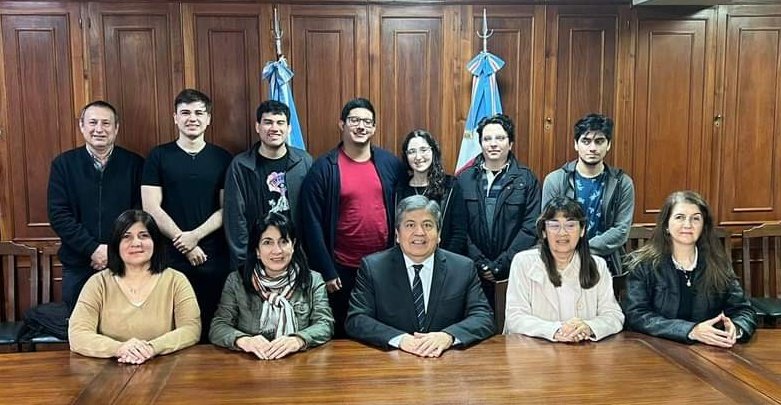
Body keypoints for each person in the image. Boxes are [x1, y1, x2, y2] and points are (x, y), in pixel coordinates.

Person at [300, 97, 406, 337]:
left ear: (374, 128)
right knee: (344, 334)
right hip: (341, 270)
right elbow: (311, 223)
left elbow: (405, 208)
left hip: (384, 267)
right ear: (342, 124)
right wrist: (326, 270)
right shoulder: (324, 168)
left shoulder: (390, 164)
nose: (361, 126)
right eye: (354, 120)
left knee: (383, 332)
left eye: (367, 122)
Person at [345, 195, 494, 357]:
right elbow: (357, 319)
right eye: (410, 225)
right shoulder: (374, 268)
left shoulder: (463, 268)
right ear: (397, 234)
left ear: (438, 234)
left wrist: (448, 336)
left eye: (427, 225)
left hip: (447, 361)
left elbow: (483, 317)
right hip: (391, 361)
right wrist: (400, 339)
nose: (419, 233)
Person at [141, 89, 233, 342]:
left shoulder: (223, 158)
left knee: (211, 329)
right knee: (172, 329)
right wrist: (185, 243)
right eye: (185, 113)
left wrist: (195, 236)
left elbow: (227, 208)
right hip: (170, 256)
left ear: (208, 119)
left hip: (213, 257)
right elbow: (151, 207)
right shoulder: (158, 156)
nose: (192, 118)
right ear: (175, 118)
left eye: (199, 113)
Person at [624, 191, 757, 347]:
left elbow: (744, 310)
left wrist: (736, 328)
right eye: (679, 217)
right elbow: (636, 315)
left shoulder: (718, 263)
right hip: (655, 348)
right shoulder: (643, 264)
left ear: (703, 226)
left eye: (695, 218)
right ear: (666, 225)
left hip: (707, 349)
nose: (688, 224)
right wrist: (690, 331)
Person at [48, 100, 144, 312]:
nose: (99, 129)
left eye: (106, 123)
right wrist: (92, 249)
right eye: (93, 123)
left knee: (124, 325)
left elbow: (139, 214)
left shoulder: (135, 164)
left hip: (124, 262)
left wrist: (113, 251)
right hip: (78, 265)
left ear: (116, 128)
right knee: (78, 326)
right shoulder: (63, 165)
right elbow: (59, 215)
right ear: (82, 126)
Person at [68, 210, 201, 363]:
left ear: (155, 242)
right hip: (109, 367)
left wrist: (151, 348)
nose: (136, 243)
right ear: (116, 244)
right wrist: (120, 349)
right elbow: (78, 334)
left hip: (165, 365)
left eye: (144, 236)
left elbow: (191, 329)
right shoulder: (98, 283)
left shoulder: (176, 280)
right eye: (126, 237)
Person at [210, 212, 334, 359]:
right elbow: (218, 326)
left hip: (298, 361)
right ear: (257, 250)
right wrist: (244, 340)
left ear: (293, 246)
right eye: (267, 242)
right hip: (251, 362)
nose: (277, 250)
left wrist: (299, 339)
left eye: (283, 241)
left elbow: (325, 324)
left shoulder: (313, 280)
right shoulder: (236, 281)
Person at [504, 197, 624, 341]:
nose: (562, 233)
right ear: (544, 231)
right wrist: (555, 330)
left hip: (584, 349)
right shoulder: (523, 262)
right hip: (535, 349)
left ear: (582, 230)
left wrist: (589, 327)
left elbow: (613, 315)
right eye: (554, 226)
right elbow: (515, 317)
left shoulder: (598, 265)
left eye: (570, 225)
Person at [457, 113, 541, 307]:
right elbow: (460, 228)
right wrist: (480, 263)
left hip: (514, 271)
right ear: (480, 143)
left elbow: (531, 227)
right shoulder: (464, 179)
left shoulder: (526, 179)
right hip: (474, 272)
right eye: (487, 139)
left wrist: (502, 264)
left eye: (500, 138)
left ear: (510, 144)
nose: (493, 144)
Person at [224, 100, 313, 271]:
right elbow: (235, 219)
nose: (274, 128)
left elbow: (313, 214)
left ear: (289, 128)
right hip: (256, 258)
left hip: (297, 258)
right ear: (257, 127)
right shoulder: (240, 166)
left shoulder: (304, 162)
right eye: (268, 122)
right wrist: (244, 264)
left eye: (280, 123)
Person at [542, 113, 635, 275]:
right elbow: (549, 226)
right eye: (586, 141)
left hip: (607, 266)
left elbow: (621, 231)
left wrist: (583, 250)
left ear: (608, 145)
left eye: (599, 141)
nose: (593, 148)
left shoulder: (622, 183)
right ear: (576, 144)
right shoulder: (555, 180)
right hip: (563, 264)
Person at [396, 129, 467, 255]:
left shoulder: (450, 186)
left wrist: (443, 261)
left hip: (443, 260)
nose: (418, 157)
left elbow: (459, 233)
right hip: (407, 260)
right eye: (412, 151)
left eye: (423, 150)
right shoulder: (400, 188)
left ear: (433, 151)